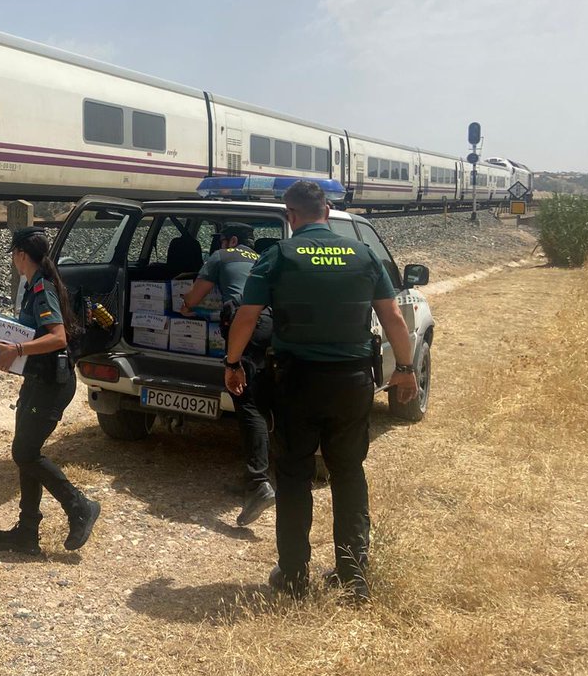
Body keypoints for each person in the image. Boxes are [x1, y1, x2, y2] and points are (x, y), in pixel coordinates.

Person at [222, 181, 418, 602]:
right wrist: (404, 369)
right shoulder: (363, 254)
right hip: (352, 382)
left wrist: (233, 363)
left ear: (291, 216)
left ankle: (294, 575)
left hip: (297, 382)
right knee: (348, 471)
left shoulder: (279, 255)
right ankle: (353, 576)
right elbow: (394, 319)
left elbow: (246, 317)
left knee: (294, 474)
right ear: (326, 211)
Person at [0, 227, 101, 556]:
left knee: (25, 453)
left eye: (13, 254)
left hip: (52, 384)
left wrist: (17, 350)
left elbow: (57, 337)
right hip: (38, 380)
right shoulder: (34, 285)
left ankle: (80, 506)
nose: (13, 260)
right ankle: (27, 532)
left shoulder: (42, 288)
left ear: (21, 254)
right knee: (26, 451)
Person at [179, 222, 274, 527]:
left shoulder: (222, 256)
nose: (218, 244)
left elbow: (195, 297)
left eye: (220, 239)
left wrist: (185, 307)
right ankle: (254, 477)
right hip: (270, 327)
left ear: (231, 240)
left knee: (247, 404)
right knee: (259, 399)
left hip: (246, 327)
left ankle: (259, 483)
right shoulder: (264, 258)